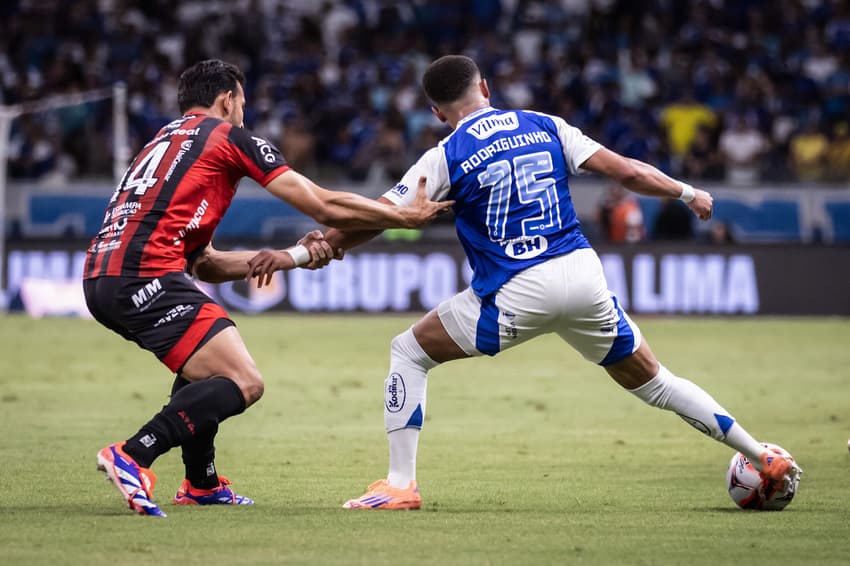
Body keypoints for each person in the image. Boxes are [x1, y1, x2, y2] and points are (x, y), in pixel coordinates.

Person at [249, 55, 798, 511]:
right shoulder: (545, 124)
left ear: (437, 112)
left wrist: (306, 251)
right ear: (486, 88)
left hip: (517, 290)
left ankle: (400, 485)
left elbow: (377, 215)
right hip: (582, 275)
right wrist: (687, 193)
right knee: (656, 381)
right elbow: (628, 172)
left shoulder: (445, 155)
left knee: (408, 352)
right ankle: (763, 456)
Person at [83, 59, 452, 517]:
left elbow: (206, 265)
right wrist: (402, 217)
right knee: (243, 381)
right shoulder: (227, 138)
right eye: (242, 103)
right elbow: (323, 204)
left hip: (103, 276)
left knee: (208, 368)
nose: (243, 113)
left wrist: (290, 256)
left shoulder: (160, 144)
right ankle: (134, 454)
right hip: (146, 274)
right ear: (227, 100)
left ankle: (201, 484)